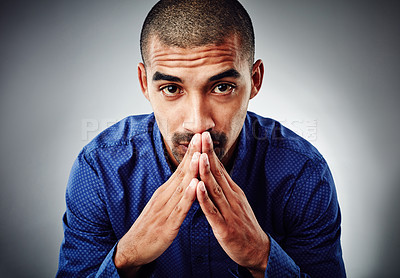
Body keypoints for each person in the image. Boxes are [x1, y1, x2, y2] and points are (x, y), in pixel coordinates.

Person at [56, 0, 346, 277]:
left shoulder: (302, 173)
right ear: (145, 83)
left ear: (255, 80)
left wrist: (261, 256)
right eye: (171, 88)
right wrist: (128, 257)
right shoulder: (99, 170)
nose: (197, 122)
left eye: (222, 87)